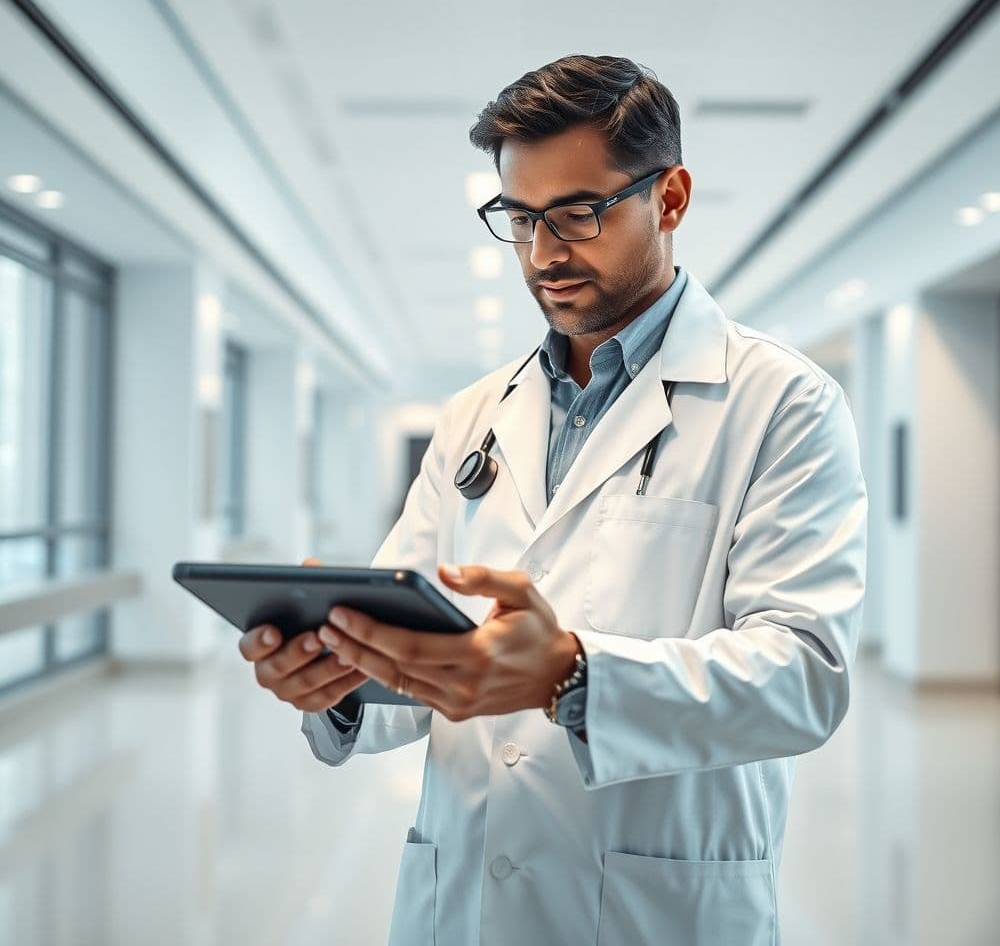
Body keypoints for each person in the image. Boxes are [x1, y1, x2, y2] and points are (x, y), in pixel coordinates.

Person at [238, 55, 868, 945]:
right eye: (520, 218)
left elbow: (805, 676)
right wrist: (340, 674)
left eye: (578, 214)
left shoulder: (780, 405)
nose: (542, 254)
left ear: (671, 198)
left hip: (660, 910)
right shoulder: (474, 415)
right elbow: (420, 653)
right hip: (463, 897)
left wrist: (574, 674)